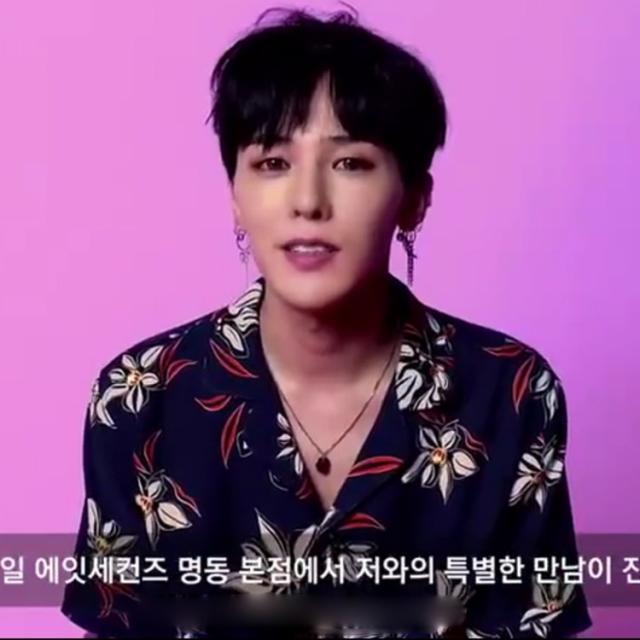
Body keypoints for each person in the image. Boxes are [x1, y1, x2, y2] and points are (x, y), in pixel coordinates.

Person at [61, 7, 592, 638]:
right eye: (273, 162)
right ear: (235, 197)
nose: (308, 201)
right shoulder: (140, 396)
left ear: (415, 198)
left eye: (350, 163)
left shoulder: (511, 393)